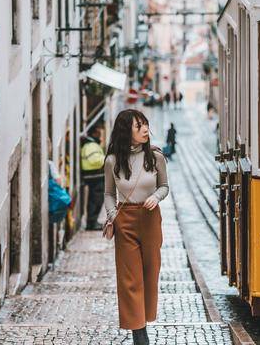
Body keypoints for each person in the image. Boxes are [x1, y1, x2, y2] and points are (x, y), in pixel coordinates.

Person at [103, 109, 169, 344]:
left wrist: (157, 197)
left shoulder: (156, 157)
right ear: (125, 130)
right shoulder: (112, 160)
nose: (145, 129)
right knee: (130, 278)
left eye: (145, 124)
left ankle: (144, 320)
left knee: (150, 273)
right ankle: (138, 332)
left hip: (150, 218)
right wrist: (114, 217)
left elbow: (164, 186)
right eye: (138, 125)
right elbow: (109, 194)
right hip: (126, 219)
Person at [81, 126, 106, 230]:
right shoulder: (91, 145)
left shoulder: (91, 144)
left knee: (95, 200)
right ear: (94, 133)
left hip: (94, 176)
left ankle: (93, 222)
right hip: (94, 176)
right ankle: (92, 223)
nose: (100, 135)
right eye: (98, 133)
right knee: (96, 200)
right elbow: (95, 160)